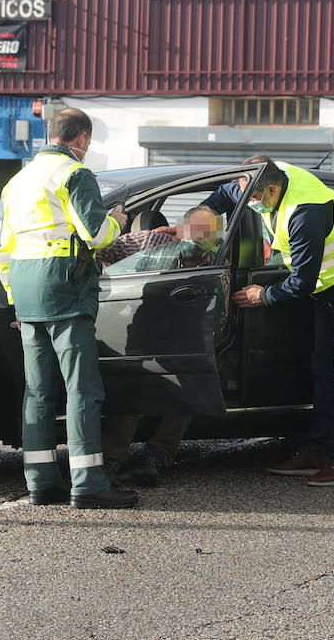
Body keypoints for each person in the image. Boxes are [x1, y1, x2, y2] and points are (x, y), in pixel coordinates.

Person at [0, 108, 138, 510]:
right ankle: (88, 483)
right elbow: (96, 234)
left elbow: (3, 252)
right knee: (82, 390)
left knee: (38, 391)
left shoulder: (17, 182)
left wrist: (15, 300)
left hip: (25, 290)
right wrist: (118, 221)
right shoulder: (74, 175)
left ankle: (40, 482)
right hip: (64, 287)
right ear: (83, 140)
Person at [230, 158, 334, 487]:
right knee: (322, 368)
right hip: (328, 285)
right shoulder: (270, 173)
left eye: (257, 200)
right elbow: (227, 191)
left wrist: (264, 295)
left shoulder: (305, 212)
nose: (254, 206)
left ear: (272, 189)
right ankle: (317, 449)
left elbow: (301, 283)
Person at [99, 206, 224, 485]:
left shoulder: (216, 260)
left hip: (185, 334)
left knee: (190, 387)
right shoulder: (149, 242)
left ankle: (155, 457)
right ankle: (112, 459)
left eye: (210, 235)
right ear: (180, 229)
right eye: (198, 232)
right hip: (142, 328)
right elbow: (102, 250)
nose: (203, 240)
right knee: (130, 388)